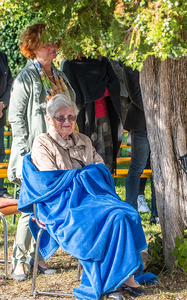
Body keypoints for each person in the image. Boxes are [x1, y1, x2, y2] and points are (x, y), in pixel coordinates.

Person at [18, 94, 148, 300]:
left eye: (71, 117)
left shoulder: (84, 140)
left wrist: (82, 175)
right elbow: (51, 182)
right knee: (107, 220)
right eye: (60, 118)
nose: (67, 122)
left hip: (92, 199)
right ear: (49, 119)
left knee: (123, 213)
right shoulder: (42, 143)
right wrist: (85, 174)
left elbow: (102, 170)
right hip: (61, 205)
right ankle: (112, 282)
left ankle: (123, 276)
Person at [7, 23, 76, 280]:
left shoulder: (59, 75)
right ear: (33, 46)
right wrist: (27, 154)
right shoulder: (26, 77)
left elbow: (72, 107)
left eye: (55, 43)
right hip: (35, 154)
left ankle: (38, 257)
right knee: (30, 208)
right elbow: (16, 118)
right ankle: (17, 261)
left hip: (60, 153)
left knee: (50, 206)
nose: (53, 47)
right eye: (47, 43)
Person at [61, 55, 122, 173]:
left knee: (105, 160)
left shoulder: (102, 62)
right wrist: (98, 91)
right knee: (83, 161)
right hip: (82, 121)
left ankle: (103, 187)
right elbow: (70, 94)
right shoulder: (71, 65)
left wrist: (95, 91)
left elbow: (115, 85)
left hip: (104, 119)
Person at [122, 64, 158, 223]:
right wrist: (156, 111)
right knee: (137, 167)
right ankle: (131, 212)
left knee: (159, 169)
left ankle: (157, 213)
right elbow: (136, 94)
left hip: (160, 123)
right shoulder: (132, 63)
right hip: (141, 122)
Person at [0, 51, 13, 199]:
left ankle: (0, 190)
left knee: (0, 152)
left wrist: (2, 104)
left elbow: (10, 83)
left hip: (0, 114)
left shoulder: (3, 56)